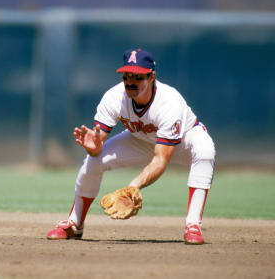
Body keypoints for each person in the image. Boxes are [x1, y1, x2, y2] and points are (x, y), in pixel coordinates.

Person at [46, 48, 215, 245]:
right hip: (140, 139)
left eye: (137, 76)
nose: (130, 81)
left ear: (152, 77)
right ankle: (74, 223)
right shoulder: (114, 97)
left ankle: (192, 225)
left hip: (184, 141)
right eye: (126, 75)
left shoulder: (169, 102)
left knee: (205, 151)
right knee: (94, 160)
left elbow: (161, 159)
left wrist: (133, 186)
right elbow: (98, 144)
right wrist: (93, 147)